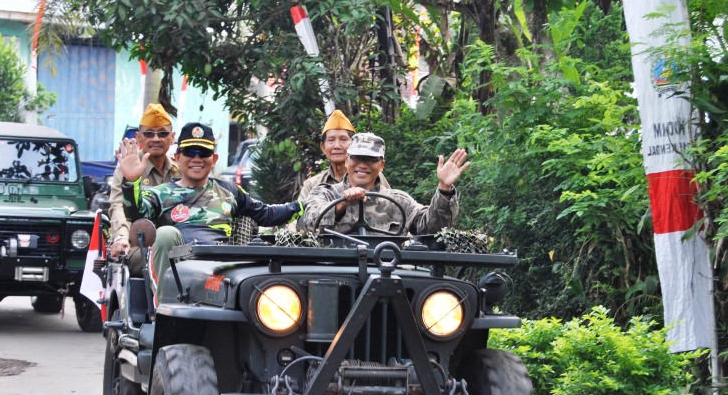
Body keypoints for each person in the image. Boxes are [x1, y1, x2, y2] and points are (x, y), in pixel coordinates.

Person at [118, 122, 304, 297]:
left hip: (219, 269)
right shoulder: (161, 193)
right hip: (177, 271)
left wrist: (304, 206)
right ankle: (164, 309)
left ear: (214, 159)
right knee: (165, 233)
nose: (197, 159)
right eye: (190, 152)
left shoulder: (230, 191)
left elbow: (266, 214)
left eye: (204, 153)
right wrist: (131, 182)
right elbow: (136, 214)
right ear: (177, 157)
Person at [302, 132, 469, 235]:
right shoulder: (325, 194)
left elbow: (431, 229)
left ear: (381, 165)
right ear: (347, 161)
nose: (362, 165)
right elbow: (307, 223)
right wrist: (342, 204)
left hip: (387, 273)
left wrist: (444, 188)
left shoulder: (399, 201)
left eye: (371, 159)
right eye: (357, 158)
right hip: (334, 273)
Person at [107, 103, 180, 261]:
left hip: (176, 246)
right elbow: (119, 206)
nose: (156, 139)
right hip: (138, 245)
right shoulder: (128, 166)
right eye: (149, 134)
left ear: (172, 137)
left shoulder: (179, 169)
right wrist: (121, 237)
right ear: (139, 137)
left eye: (162, 133)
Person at [296, 109, 387, 202]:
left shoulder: (371, 176)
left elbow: (389, 203)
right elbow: (302, 210)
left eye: (343, 139)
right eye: (331, 140)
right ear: (323, 147)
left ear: (353, 146)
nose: (337, 146)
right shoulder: (312, 184)